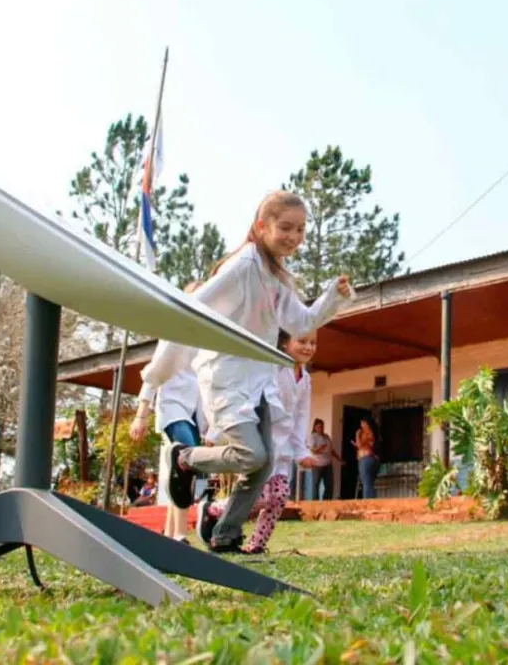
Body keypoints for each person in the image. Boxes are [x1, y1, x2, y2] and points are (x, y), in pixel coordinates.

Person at [141, 191, 355, 553]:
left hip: (259, 381)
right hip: (227, 377)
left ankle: (225, 535)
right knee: (252, 455)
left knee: (265, 462)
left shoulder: (277, 276)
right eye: (285, 227)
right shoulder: (242, 266)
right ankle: (185, 458)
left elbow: (301, 321)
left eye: (301, 230)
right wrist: (155, 376)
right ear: (261, 225)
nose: (294, 237)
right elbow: (193, 308)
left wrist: (333, 295)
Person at [199, 329, 320, 552]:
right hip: (260, 439)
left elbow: (300, 416)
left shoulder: (305, 380)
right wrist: (216, 432)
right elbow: (246, 396)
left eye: (313, 342)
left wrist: (300, 450)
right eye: (302, 341)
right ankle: (214, 509)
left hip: (283, 447)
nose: (308, 347)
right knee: (261, 496)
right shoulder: (272, 368)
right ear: (284, 342)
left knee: (280, 496)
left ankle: (256, 545)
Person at [130, 282, 210, 544]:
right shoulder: (173, 332)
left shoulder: (209, 338)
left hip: (196, 414)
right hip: (173, 407)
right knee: (184, 461)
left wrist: (211, 426)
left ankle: (169, 533)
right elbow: (153, 374)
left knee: (174, 471)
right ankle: (180, 535)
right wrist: (141, 414)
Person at [308, 418, 342, 500]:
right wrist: (320, 448)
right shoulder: (313, 437)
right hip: (317, 464)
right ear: (315, 427)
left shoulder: (326, 436)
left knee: (329, 484)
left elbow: (331, 450)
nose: (321, 428)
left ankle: (326, 502)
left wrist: (339, 459)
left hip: (328, 464)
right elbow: (313, 451)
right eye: (319, 427)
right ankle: (315, 503)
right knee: (316, 484)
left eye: (322, 426)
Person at [353, 418, 379, 498]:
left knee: (366, 483)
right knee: (369, 482)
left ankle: (368, 502)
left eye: (363, 423)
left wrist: (357, 435)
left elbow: (359, 445)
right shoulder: (373, 433)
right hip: (372, 458)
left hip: (365, 459)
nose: (361, 426)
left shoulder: (366, 433)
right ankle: (371, 500)